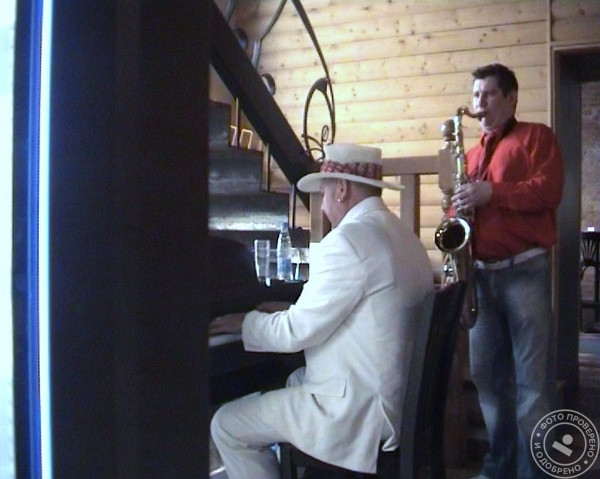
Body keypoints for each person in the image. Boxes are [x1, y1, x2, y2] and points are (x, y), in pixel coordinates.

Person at [209, 143, 433, 479]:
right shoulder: (402, 234)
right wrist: (292, 310)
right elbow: (360, 311)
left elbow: (296, 332)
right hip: (393, 400)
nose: (324, 205)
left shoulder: (348, 240)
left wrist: (245, 323)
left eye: (324, 194)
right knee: (291, 381)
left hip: (359, 412)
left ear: (341, 189)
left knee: (227, 425)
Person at [452, 63, 564, 479]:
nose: (478, 103)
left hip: (525, 272)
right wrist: (456, 208)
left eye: (488, 94)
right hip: (481, 276)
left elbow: (549, 191)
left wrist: (491, 192)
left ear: (512, 98)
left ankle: (533, 472)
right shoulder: (471, 155)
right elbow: (461, 214)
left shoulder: (537, 137)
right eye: (475, 94)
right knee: (487, 381)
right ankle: (499, 466)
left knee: (533, 385)